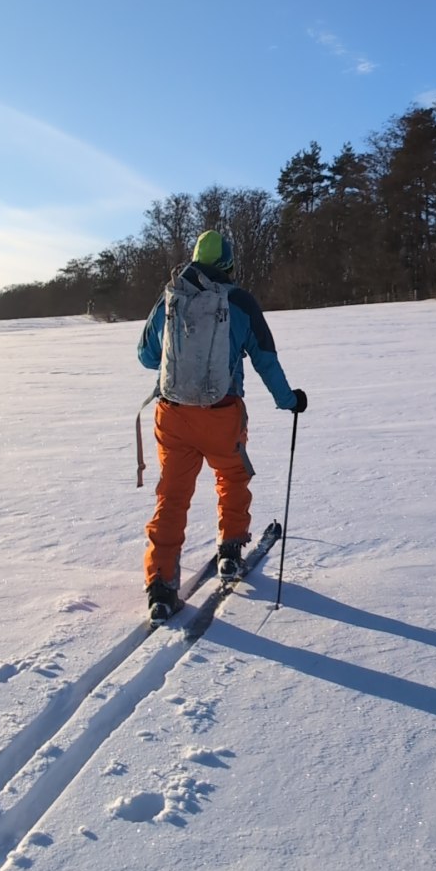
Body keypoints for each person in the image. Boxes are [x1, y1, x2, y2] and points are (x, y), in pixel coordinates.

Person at [138, 229, 306, 620]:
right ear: (229, 265)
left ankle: (161, 584)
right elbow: (265, 358)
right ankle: (230, 550)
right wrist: (289, 400)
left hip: (173, 414)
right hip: (221, 413)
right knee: (231, 477)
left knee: (173, 495)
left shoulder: (172, 297)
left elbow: (147, 356)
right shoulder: (241, 302)